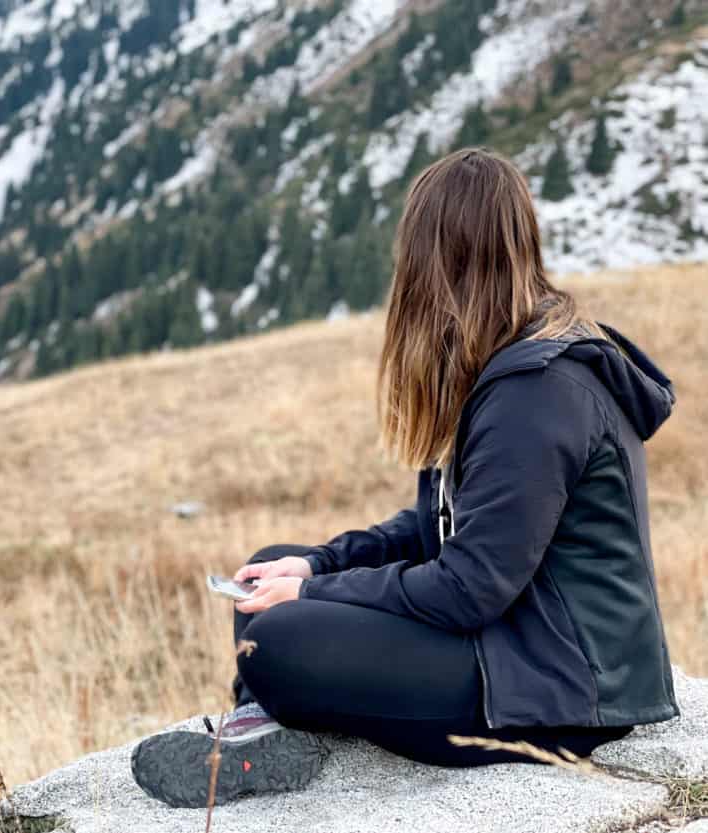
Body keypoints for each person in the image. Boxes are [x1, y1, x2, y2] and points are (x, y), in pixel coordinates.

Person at [129, 148, 679, 809]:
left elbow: (469, 587)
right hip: (515, 649)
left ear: (444, 262)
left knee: (273, 639)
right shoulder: (514, 362)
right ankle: (268, 728)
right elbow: (433, 528)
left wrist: (317, 594)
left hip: (559, 688)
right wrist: (313, 567)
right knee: (267, 570)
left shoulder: (538, 391)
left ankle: (267, 725)